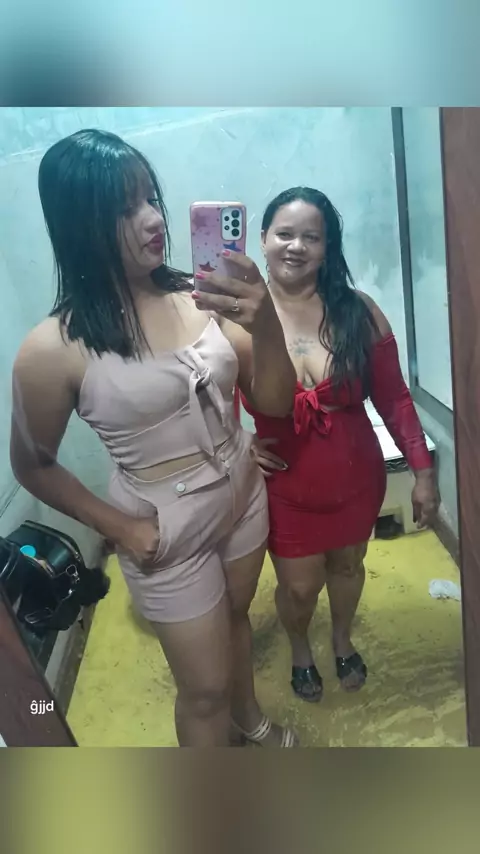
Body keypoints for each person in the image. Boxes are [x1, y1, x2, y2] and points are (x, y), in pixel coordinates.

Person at [10, 130, 299, 747]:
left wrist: (268, 324)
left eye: (150, 199)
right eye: (125, 208)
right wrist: (120, 527)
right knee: (203, 691)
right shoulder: (51, 349)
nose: (152, 219)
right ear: (79, 223)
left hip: (243, 492)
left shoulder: (201, 292)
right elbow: (33, 465)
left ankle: (248, 720)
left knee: (237, 621)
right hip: (163, 529)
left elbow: (275, 402)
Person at [242, 187, 440, 702]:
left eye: (312, 237)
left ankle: (342, 639)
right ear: (262, 239)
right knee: (299, 586)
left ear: (327, 248)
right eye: (285, 234)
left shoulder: (358, 311)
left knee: (349, 567)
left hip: (356, 477)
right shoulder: (237, 318)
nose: (296, 246)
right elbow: (196, 399)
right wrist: (237, 442)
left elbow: (395, 399)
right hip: (284, 483)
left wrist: (423, 473)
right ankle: (300, 648)